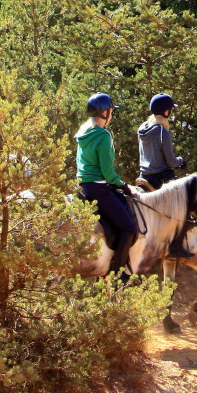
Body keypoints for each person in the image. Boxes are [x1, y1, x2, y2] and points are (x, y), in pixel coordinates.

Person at [76, 93, 137, 281]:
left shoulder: (83, 133)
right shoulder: (103, 135)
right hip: (99, 189)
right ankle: (118, 275)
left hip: (82, 188)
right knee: (129, 228)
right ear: (104, 113)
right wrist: (124, 185)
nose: (111, 115)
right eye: (111, 111)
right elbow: (107, 171)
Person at [138, 93, 185, 189]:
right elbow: (171, 162)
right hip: (159, 179)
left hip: (143, 176)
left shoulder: (142, 129)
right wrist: (181, 161)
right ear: (166, 112)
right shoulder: (163, 133)